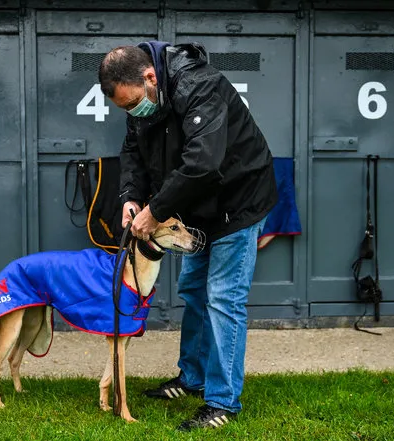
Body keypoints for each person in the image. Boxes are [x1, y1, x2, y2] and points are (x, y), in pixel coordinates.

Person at [98, 41, 278, 431]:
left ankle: (222, 402)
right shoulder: (142, 97)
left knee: (223, 299)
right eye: (125, 109)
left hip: (238, 201)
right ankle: (192, 378)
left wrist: (155, 211)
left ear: (150, 77)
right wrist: (130, 198)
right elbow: (132, 151)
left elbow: (203, 162)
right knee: (193, 290)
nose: (132, 112)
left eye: (132, 104)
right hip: (195, 206)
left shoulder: (200, 85)